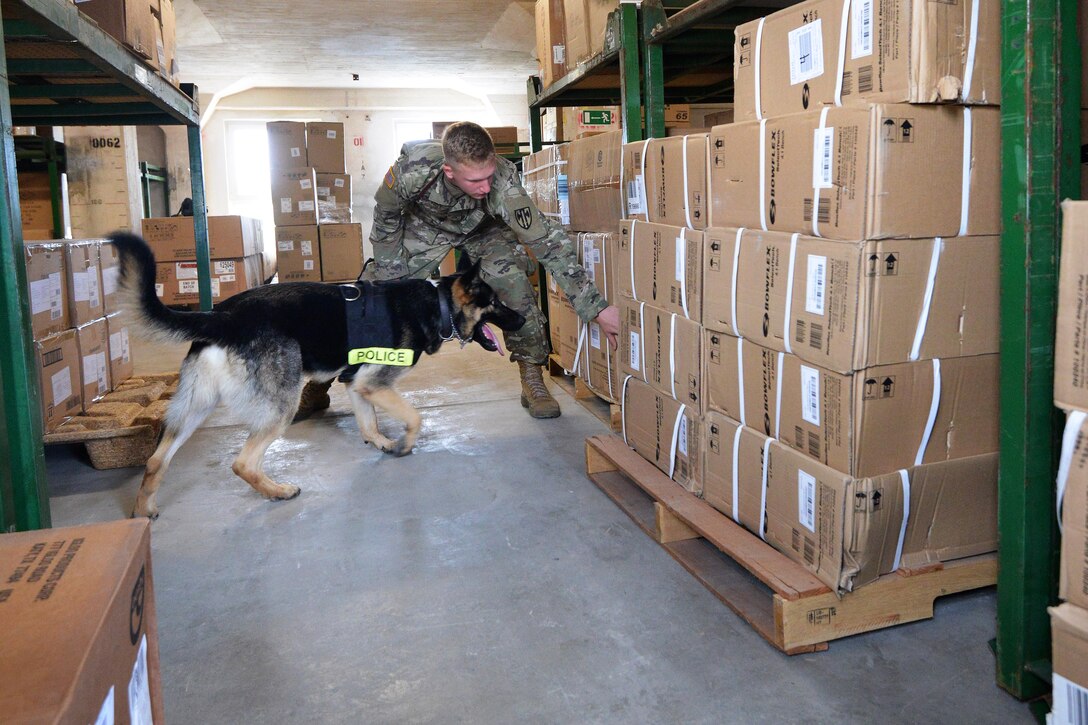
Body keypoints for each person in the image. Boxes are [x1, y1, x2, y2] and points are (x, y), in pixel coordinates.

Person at [295, 121, 619, 420]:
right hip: (426, 226)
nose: (484, 186)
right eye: (475, 180)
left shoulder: (504, 184)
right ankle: (321, 382)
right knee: (370, 302)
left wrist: (596, 308)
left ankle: (532, 377)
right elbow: (387, 218)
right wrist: (392, 279)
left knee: (514, 288)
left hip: (484, 230)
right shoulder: (412, 171)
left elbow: (547, 242)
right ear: (449, 171)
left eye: (489, 175)